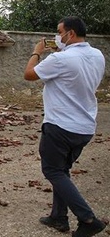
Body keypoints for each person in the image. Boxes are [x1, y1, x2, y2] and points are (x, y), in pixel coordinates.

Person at [24, 16, 107, 236]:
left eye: (59, 32)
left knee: (52, 170)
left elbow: (29, 74)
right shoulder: (97, 55)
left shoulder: (60, 60)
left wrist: (37, 52)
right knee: (62, 170)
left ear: (70, 34)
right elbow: (73, 70)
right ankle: (58, 217)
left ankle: (88, 219)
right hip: (85, 126)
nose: (57, 37)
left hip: (60, 125)